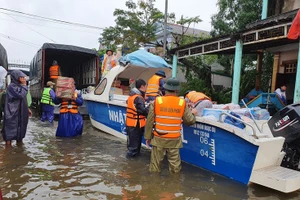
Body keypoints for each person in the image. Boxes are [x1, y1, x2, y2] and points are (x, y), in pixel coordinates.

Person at [144, 77, 197, 173]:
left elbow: (149, 121)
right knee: (175, 168)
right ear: (177, 90)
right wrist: (193, 113)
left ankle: (152, 186)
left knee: (154, 167)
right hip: (174, 139)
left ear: (165, 88)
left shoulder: (157, 101)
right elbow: (190, 121)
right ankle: (175, 186)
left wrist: (148, 137)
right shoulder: (182, 102)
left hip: (158, 138)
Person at [2, 70, 32, 146]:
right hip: (12, 112)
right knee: (9, 133)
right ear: (16, 77)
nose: (24, 79)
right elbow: (21, 95)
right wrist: (25, 85)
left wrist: (27, 108)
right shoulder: (12, 86)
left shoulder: (20, 86)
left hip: (21, 111)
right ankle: (8, 153)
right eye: (21, 77)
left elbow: (23, 99)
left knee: (21, 131)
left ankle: (19, 150)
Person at [126, 79, 149, 158]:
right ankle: (130, 165)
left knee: (133, 145)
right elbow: (143, 111)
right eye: (146, 86)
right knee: (134, 148)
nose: (146, 88)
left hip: (131, 123)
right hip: (135, 124)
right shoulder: (138, 98)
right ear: (142, 86)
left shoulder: (132, 96)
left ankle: (131, 165)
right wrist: (151, 106)